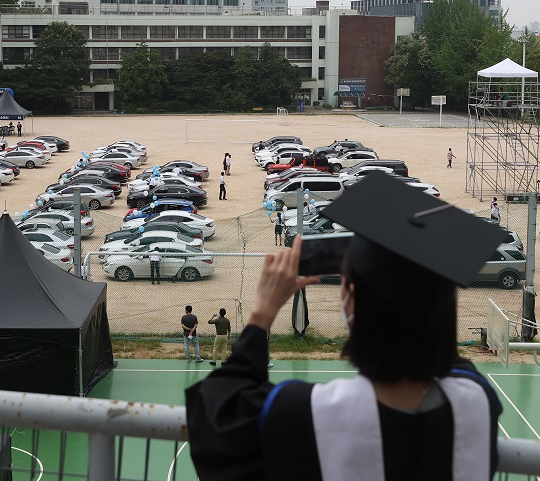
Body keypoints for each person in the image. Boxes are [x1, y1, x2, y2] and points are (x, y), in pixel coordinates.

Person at [186, 172, 504, 481]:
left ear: (351, 303)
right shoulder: (477, 402)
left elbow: (217, 411)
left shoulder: (309, 414)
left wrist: (261, 316)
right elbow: (439, 350)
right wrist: (418, 282)